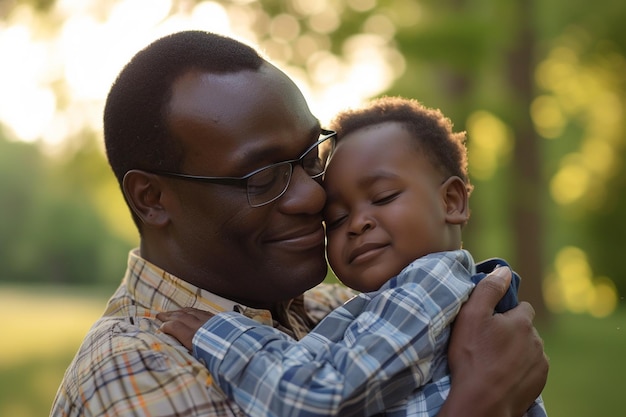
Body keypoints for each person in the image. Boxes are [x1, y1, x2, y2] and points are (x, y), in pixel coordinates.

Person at [50, 30, 548, 417]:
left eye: (312, 156)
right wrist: (482, 401)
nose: (315, 195)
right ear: (153, 199)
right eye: (265, 175)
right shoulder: (135, 373)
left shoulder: (335, 307)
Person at [157, 97, 547, 417]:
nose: (357, 223)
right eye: (337, 218)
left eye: (383, 198)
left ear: (451, 201)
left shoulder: (428, 285)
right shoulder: (389, 301)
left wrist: (220, 335)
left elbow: (320, 397)